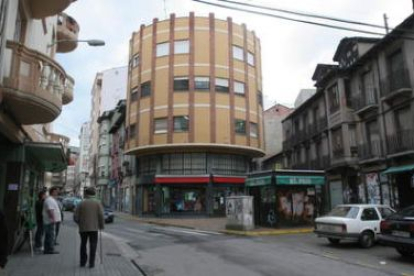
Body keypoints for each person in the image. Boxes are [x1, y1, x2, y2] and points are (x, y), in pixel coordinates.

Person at [74, 187, 104, 268]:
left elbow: (75, 216)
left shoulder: (81, 203)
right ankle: (91, 263)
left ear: (86, 194)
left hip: (83, 228)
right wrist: (101, 225)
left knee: (83, 244)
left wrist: (79, 223)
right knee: (93, 245)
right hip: (94, 228)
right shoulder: (98, 203)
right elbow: (101, 215)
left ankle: (82, 262)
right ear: (94, 194)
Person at [42, 187, 61, 254]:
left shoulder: (51, 199)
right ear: (52, 192)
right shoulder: (49, 200)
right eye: (56, 191)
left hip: (50, 221)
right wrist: (53, 219)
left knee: (49, 235)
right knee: (50, 235)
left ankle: (47, 249)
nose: (57, 192)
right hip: (50, 221)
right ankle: (50, 249)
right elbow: (50, 210)